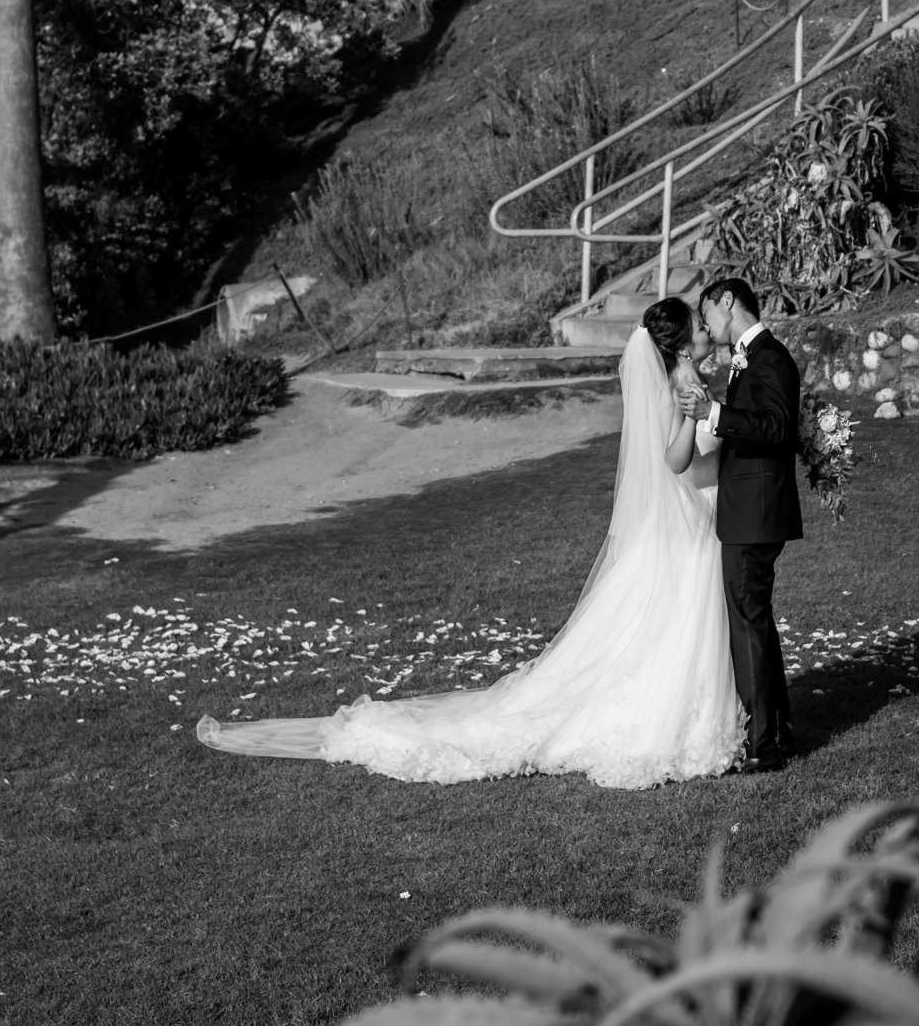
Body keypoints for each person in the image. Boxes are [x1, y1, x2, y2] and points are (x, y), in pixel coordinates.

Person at [193, 298, 742, 788]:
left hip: (677, 519)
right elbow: (674, 460)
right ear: (678, 344)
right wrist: (696, 419)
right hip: (681, 519)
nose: (705, 332)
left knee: (652, 625)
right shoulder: (683, 385)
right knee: (671, 621)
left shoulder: (670, 379)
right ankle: (672, 717)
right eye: (698, 326)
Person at [680, 277, 805, 775]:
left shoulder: (769, 357)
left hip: (755, 514)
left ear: (727, 302)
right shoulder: (747, 358)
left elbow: (777, 428)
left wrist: (715, 413)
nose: (706, 324)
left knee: (748, 622)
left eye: (706, 312)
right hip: (747, 509)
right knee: (754, 619)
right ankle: (775, 729)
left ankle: (764, 746)